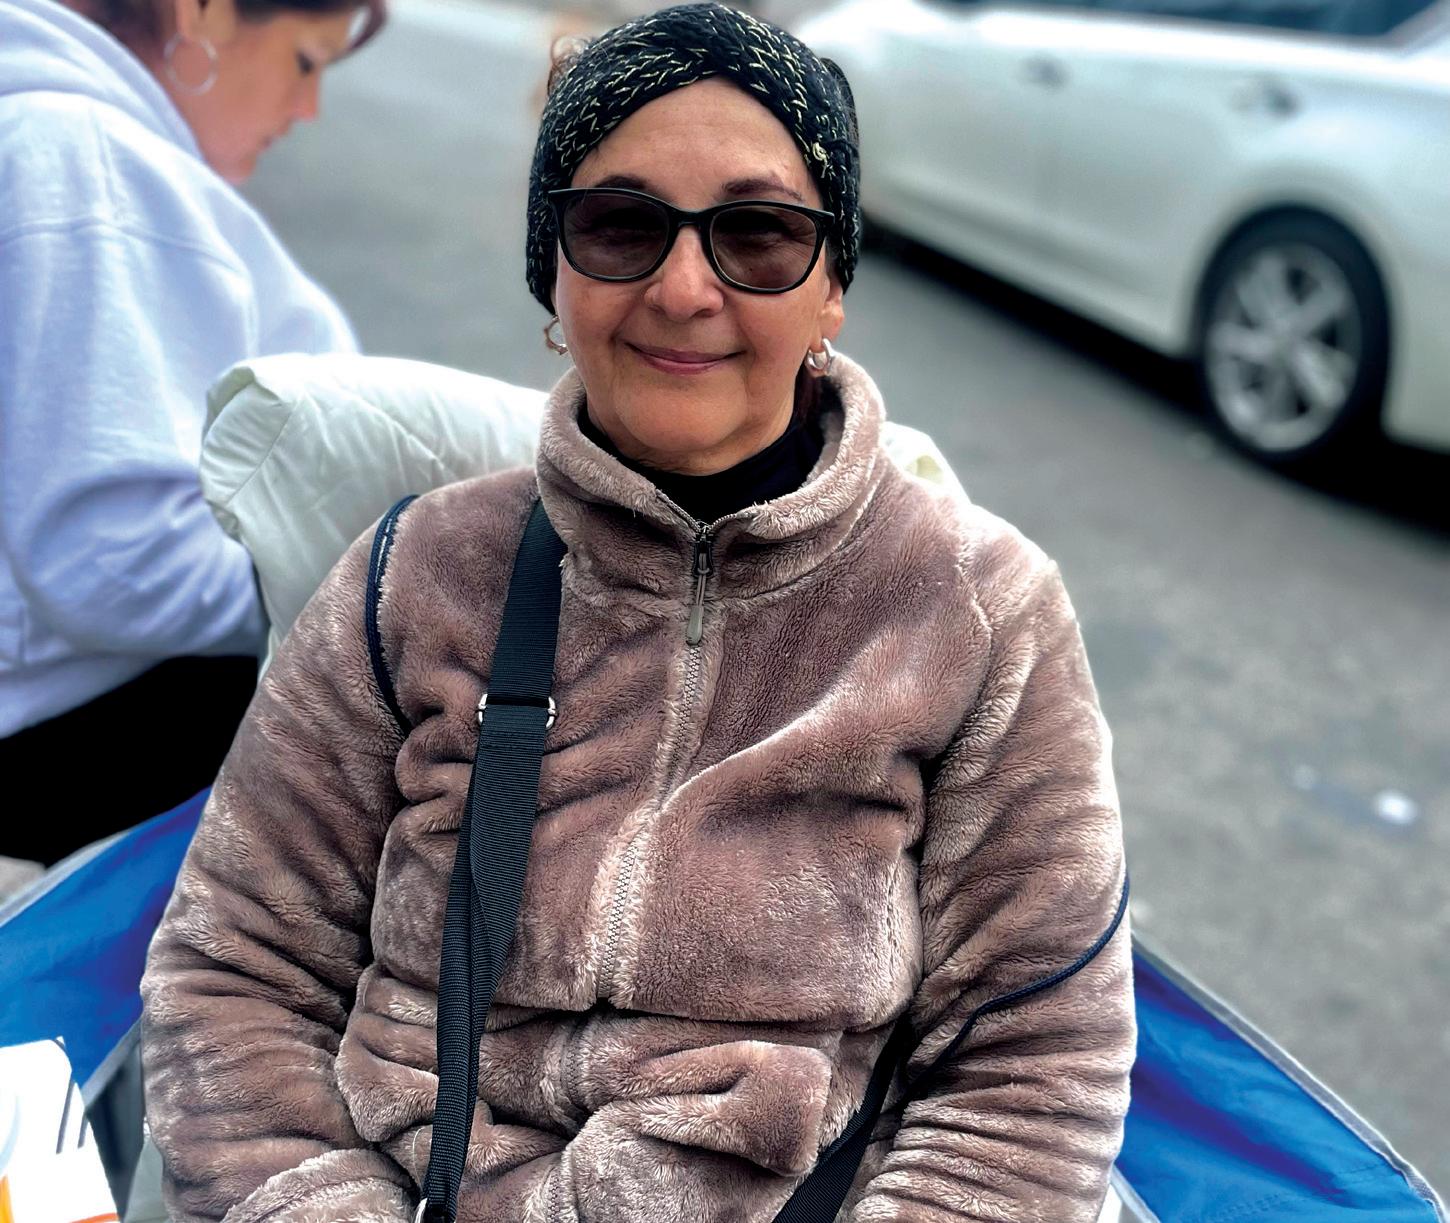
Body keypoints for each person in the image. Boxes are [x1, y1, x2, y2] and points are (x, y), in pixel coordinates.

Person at [140, 5, 1136, 1220]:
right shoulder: (414, 574)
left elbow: (1031, 1074)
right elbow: (234, 971)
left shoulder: (980, 613)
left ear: (831, 287)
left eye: (757, 234)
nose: (682, 287)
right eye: (620, 226)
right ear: (552, 274)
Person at [0, 0, 385, 863]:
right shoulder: (85, 160)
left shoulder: (59, 138)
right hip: (70, 732)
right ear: (200, 14)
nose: (308, 109)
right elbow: (111, 560)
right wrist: (373, 579)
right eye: (304, 60)